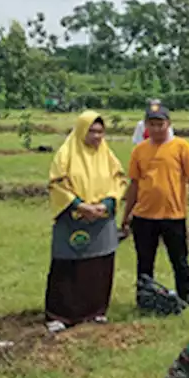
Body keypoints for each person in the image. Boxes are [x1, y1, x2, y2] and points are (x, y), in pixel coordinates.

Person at [45, 112, 127, 332]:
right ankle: (60, 314)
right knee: (68, 263)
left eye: (100, 131)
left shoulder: (107, 155)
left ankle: (95, 311)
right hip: (73, 217)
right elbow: (57, 183)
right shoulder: (66, 154)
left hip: (101, 218)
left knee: (100, 264)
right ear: (82, 130)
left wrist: (107, 204)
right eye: (92, 131)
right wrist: (80, 205)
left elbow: (119, 179)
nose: (97, 136)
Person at [121, 103, 189, 308]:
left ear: (168, 124)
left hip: (173, 214)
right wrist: (126, 215)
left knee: (180, 261)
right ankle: (144, 299)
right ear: (145, 126)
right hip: (144, 215)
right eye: (152, 124)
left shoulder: (181, 147)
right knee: (144, 261)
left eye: (160, 124)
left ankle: (188, 299)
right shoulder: (139, 151)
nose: (157, 128)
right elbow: (134, 183)